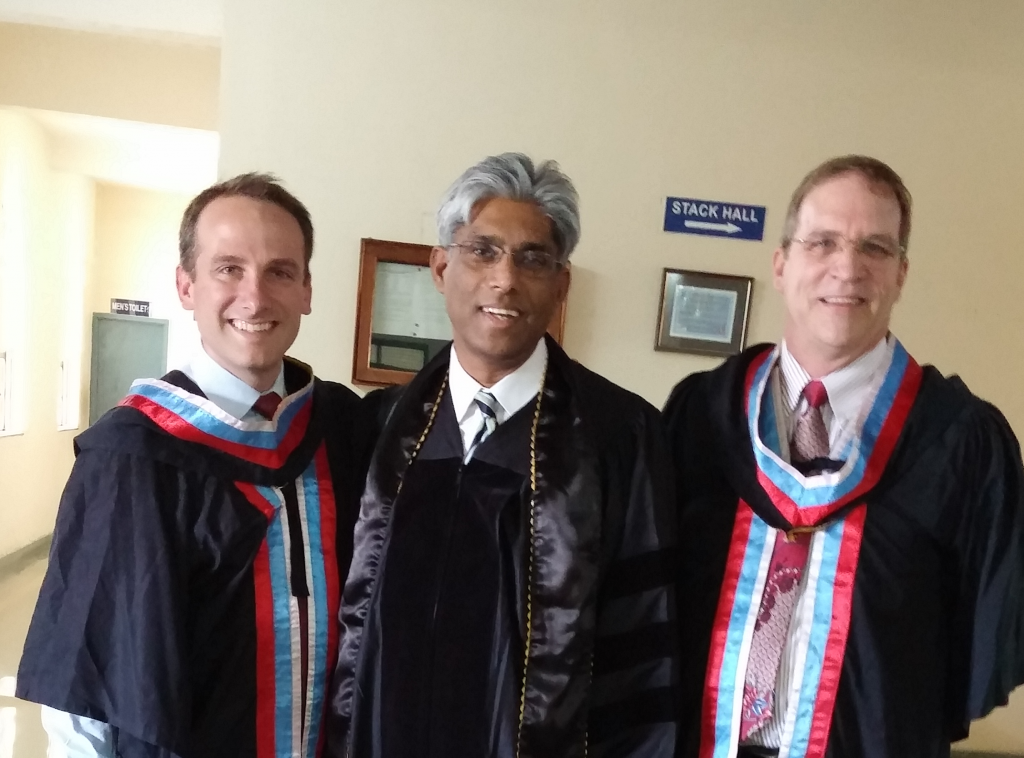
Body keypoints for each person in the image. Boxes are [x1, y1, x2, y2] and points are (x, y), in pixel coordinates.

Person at [664, 155, 1024, 758]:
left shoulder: (962, 442)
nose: (847, 268)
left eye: (875, 248)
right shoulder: (701, 415)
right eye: (822, 242)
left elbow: (979, 639)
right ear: (781, 263)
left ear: (902, 274)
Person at [327, 153, 677, 758]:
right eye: (482, 250)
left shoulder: (621, 435)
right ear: (440, 268)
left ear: (561, 283)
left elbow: (641, 650)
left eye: (532, 258)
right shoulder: (382, 427)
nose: (505, 279)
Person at [17, 173, 374, 758]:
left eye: (280, 271)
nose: (255, 298)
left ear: (307, 290)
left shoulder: (344, 428)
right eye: (228, 268)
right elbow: (85, 683)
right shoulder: (129, 455)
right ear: (186, 286)